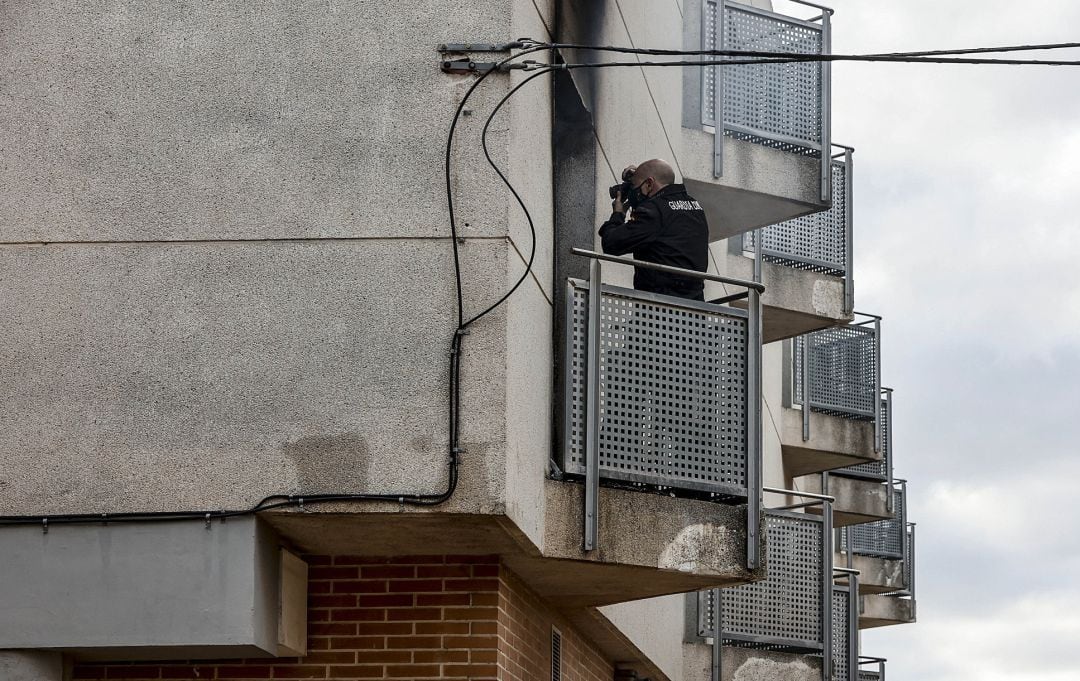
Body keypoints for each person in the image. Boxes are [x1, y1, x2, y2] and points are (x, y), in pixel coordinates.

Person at [598, 159, 710, 301]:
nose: (633, 192)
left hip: (660, 309)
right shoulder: (695, 207)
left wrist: (618, 214)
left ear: (649, 184)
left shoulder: (654, 211)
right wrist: (638, 176)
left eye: (634, 187)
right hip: (694, 310)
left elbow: (611, 244)